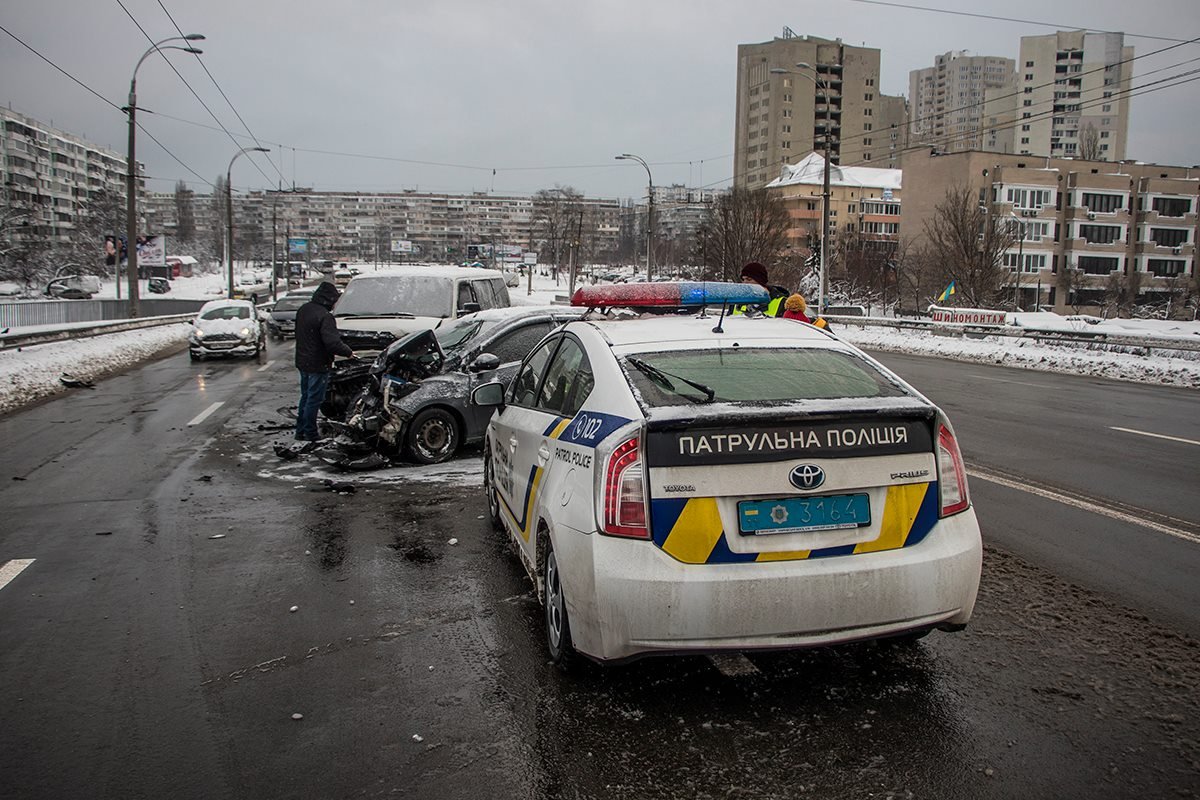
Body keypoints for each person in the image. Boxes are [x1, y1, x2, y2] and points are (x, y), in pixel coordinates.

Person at [293, 282, 353, 443]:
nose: (335, 304)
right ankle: (311, 434)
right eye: (334, 300)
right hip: (318, 364)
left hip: (303, 361)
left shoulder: (304, 310)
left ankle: (300, 432)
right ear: (328, 299)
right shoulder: (325, 316)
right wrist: (348, 353)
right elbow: (332, 343)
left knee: (305, 397)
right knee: (314, 400)